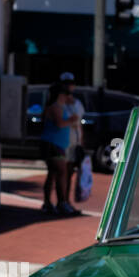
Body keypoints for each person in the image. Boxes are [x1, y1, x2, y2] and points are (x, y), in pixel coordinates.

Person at [39, 81, 81, 215]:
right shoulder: (55, 107)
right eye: (67, 93)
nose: (70, 96)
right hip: (52, 144)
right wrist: (71, 120)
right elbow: (59, 123)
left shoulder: (62, 107)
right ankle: (61, 202)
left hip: (58, 144)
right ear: (60, 95)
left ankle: (49, 203)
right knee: (62, 172)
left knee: (53, 173)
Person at [60, 73, 86, 207]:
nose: (69, 86)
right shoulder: (59, 102)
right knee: (61, 171)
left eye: (71, 83)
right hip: (62, 140)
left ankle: (67, 200)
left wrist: (81, 141)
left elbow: (80, 123)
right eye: (66, 83)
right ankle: (61, 200)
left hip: (74, 141)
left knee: (70, 171)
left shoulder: (78, 104)